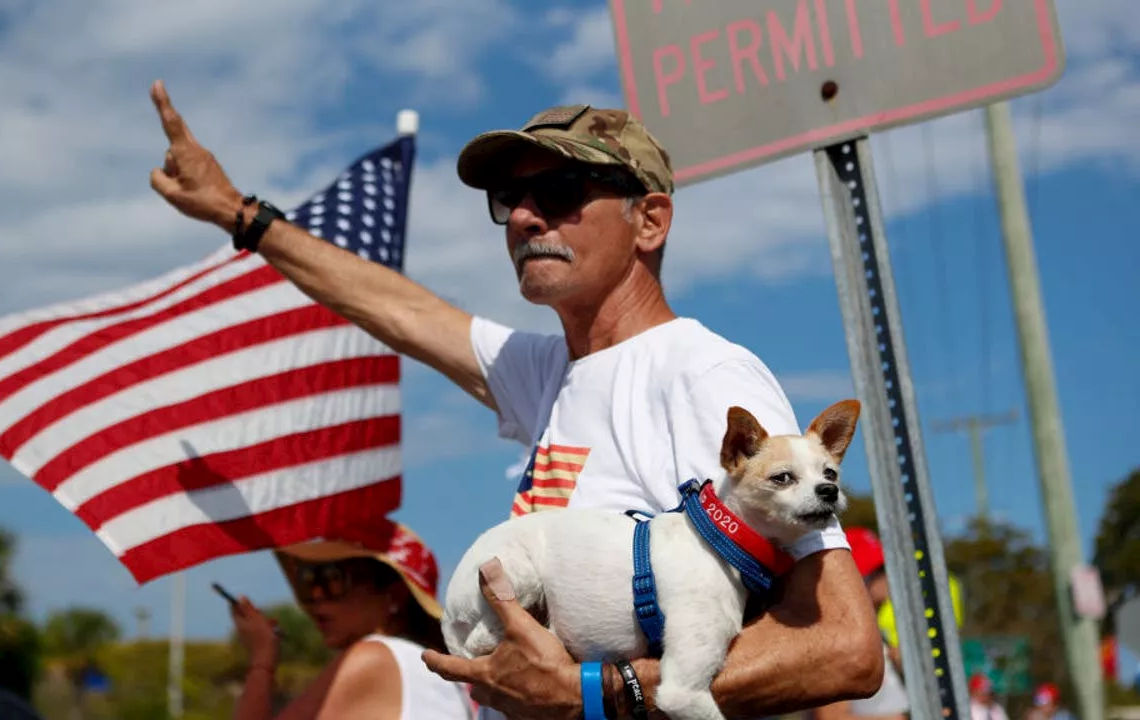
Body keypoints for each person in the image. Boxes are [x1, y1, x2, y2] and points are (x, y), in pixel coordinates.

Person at [147, 80, 883, 719]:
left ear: (649, 221)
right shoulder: (553, 370)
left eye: (560, 193)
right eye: (511, 199)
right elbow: (399, 310)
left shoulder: (701, 373)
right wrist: (240, 214)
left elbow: (843, 648)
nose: (527, 217)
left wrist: (595, 694)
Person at [229, 517, 476, 720]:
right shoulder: (431, 671)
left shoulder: (376, 655)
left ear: (394, 596)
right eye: (308, 581)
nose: (316, 597)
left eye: (331, 579)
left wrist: (262, 658)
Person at [806, 528, 910, 720]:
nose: (888, 578)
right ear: (856, 578)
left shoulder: (875, 636)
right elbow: (833, 717)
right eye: (879, 570)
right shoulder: (835, 639)